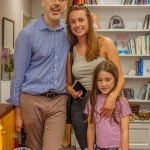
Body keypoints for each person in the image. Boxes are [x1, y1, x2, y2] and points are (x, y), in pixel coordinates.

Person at [8, 0, 70, 149]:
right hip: (31, 101)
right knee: (33, 147)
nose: (56, 4)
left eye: (61, 0)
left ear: (66, 4)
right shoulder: (27, 34)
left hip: (58, 102)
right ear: (43, 2)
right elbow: (18, 75)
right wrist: (17, 112)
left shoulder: (69, 33)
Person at [66, 6, 125, 150]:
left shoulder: (105, 43)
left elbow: (121, 77)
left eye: (81, 20)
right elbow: (68, 83)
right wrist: (71, 90)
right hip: (80, 107)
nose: (77, 25)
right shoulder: (71, 51)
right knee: (87, 147)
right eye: (72, 22)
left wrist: (111, 98)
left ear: (90, 21)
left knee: (108, 145)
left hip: (105, 105)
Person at [84, 60, 132, 150]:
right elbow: (90, 128)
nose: (103, 84)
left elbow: (124, 131)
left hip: (117, 147)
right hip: (98, 147)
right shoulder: (91, 101)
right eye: (99, 80)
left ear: (115, 79)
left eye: (108, 79)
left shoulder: (122, 102)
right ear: (95, 82)